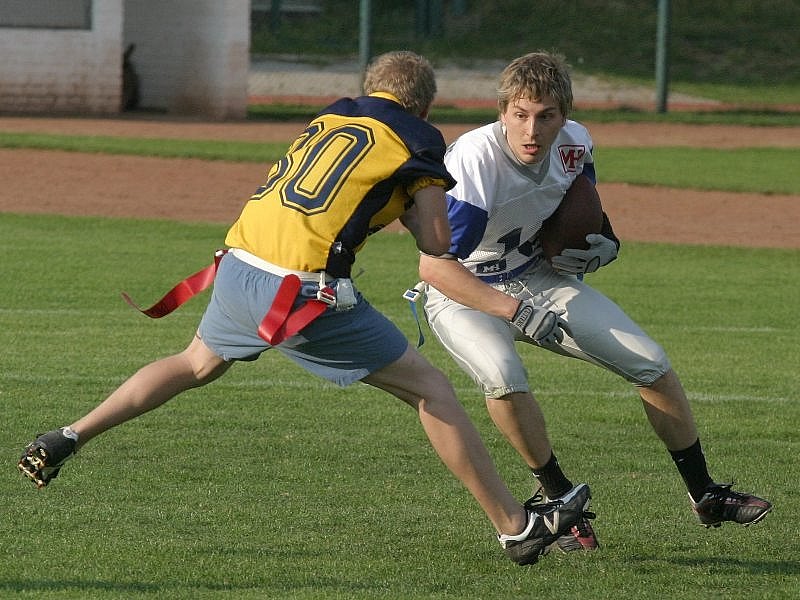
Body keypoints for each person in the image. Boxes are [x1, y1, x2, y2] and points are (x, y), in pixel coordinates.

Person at [17, 51, 591, 567]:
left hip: (238, 264)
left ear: (370, 89)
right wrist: (413, 207)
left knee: (195, 363)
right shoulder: (418, 137)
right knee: (432, 391)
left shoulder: (331, 117)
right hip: (300, 292)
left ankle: (70, 434)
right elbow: (438, 242)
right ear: (423, 105)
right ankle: (514, 526)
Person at [417, 51, 771, 552]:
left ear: (565, 115)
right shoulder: (476, 159)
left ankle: (705, 494)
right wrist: (513, 311)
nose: (532, 130)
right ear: (502, 112)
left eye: (546, 116)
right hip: (464, 290)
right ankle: (558, 499)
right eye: (520, 114)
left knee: (651, 363)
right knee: (503, 376)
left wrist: (607, 240)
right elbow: (435, 267)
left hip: (533, 275)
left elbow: (578, 211)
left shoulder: (575, 143)